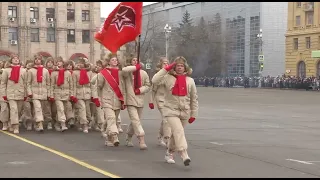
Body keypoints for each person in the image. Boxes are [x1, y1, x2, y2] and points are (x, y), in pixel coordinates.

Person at [152, 56, 198, 166]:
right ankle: (184, 154)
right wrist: (167, 68)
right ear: (174, 67)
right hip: (171, 110)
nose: (180, 68)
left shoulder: (190, 81)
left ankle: (169, 152)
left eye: (182, 66)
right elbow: (154, 80)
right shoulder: (168, 77)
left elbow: (194, 98)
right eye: (177, 65)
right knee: (179, 131)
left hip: (185, 112)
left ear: (185, 67)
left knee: (175, 134)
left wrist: (193, 114)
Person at [96, 53, 129, 147]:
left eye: (116, 60)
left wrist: (124, 100)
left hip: (118, 100)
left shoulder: (121, 72)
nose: (115, 61)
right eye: (112, 60)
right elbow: (99, 87)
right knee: (111, 118)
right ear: (108, 62)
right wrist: (97, 98)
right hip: (107, 100)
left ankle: (107, 135)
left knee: (110, 121)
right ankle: (114, 136)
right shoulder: (103, 73)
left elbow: (124, 87)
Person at [124, 56, 151, 150]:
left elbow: (148, 85)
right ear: (130, 62)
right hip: (130, 99)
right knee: (135, 120)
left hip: (140, 100)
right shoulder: (127, 72)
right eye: (133, 60)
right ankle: (141, 139)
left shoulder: (144, 73)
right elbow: (124, 70)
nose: (135, 62)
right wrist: (136, 68)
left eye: (137, 60)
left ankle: (129, 137)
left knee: (135, 121)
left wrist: (140, 90)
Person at [0, 55, 28, 134]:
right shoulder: (6, 70)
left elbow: (26, 83)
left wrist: (26, 94)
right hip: (10, 93)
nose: (16, 60)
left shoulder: (23, 70)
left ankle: (11, 123)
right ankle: (16, 126)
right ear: (11, 60)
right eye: (14, 59)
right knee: (14, 109)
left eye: (17, 59)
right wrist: (4, 94)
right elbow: (3, 83)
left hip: (20, 93)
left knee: (18, 111)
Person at [149, 57, 171, 147]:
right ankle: (167, 139)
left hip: (169, 100)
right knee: (166, 119)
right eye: (164, 63)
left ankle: (160, 136)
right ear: (160, 65)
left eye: (167, 63)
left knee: (165, 120)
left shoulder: (171, 74)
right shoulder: (158, 75)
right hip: (160, 99)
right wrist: (151, 101)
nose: (166, 64)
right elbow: (153, 90)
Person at [26, 54, 52, 132]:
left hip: (44, 93)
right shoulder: (31, 70)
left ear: (41, 61)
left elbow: (48, 83)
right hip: (34, 93)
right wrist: (29, 92)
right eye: (36, 59)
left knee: (42, 109)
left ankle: (36, 123)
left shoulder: (45, 71)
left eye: (39, 59)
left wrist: (49, 93)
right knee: (38, 108)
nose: (37, 60)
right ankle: (40, 124)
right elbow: (28, 83)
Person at [50, 57, 74, 132]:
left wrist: (71, 94)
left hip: (66, 94)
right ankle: (63, 124)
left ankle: (57, 123)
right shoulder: (54, 73)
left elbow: (71, 85)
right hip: (57, 93)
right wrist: (51, 95)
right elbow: (52, 85)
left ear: (63, 63)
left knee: (65, 109)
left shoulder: (68, 73)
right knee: (60, 108)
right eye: (57, 61)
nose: (58, 63)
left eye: (59, 61)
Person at [72, 57, 94, 133]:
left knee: (87, 110)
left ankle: (85, 121)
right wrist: (73, 95)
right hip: (79, 93)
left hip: (88, 93)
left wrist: (93, 95)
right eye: (79, 62)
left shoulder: (90, 72)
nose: (81, 64)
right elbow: (74, 85)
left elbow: (92, 84)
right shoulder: (75, 73)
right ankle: (84, 124)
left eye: (82, 63)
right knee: (82, 108)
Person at [0, 60, 9, 131]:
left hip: (4, 91)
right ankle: (4, 123)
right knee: (3, 108)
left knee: (5, 108)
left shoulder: (4, 71)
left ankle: (6, 123)